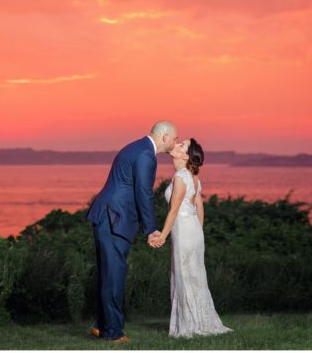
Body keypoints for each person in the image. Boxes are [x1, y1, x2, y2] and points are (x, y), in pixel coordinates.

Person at [86, 120, 178, 342]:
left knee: (109, 275)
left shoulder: (135, 147)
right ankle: (113, 333)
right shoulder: (147, 155)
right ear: (164, 137)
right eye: (175, 138)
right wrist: (151, 230)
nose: (176, 142)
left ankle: (102, 325)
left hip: (108, 216)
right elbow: (144, 194)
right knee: (114, 276)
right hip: (115, 219)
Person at [153, 138, 233, 337]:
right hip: (193, 230)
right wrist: (198, 232)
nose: (177, 144)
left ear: (186, 156)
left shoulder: (181, 176)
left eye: (182, 145)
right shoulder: (193, 177)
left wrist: (162, 235)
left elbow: (173, 211)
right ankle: (198, 321)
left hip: (184, 230)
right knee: (194, 277)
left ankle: (189, 326)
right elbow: (199, 207)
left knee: (184, 276)